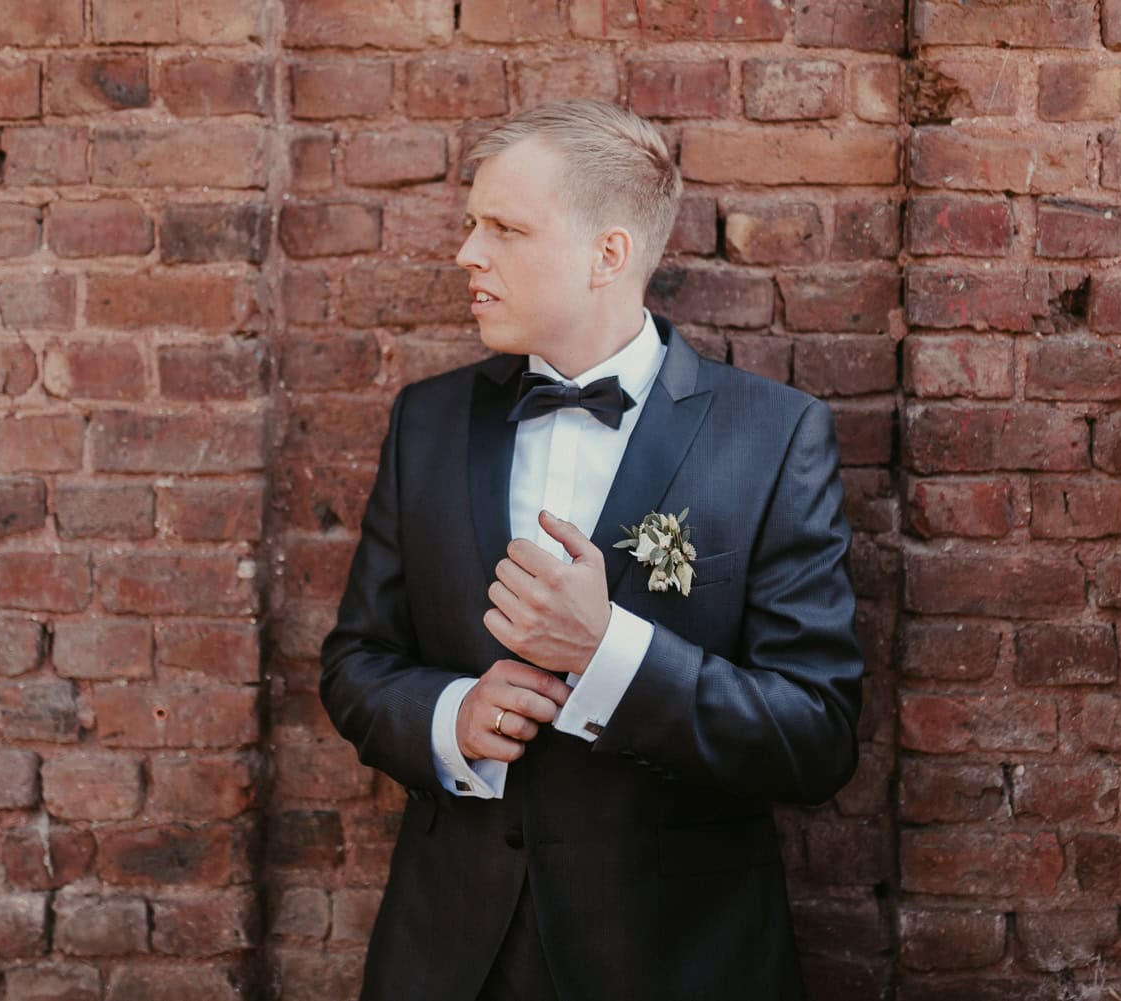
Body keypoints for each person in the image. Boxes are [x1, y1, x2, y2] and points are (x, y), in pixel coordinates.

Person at [319, 99, 864, 1001]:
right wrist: (452, 717)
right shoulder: (428, 421)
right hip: (451, 958)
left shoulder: (773, 437)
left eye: (505, 228)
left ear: (608, 253)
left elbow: (815, 736)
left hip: (680, 961)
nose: (467, 253)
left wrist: (608, 652)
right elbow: (355, 663)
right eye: (472, 224)